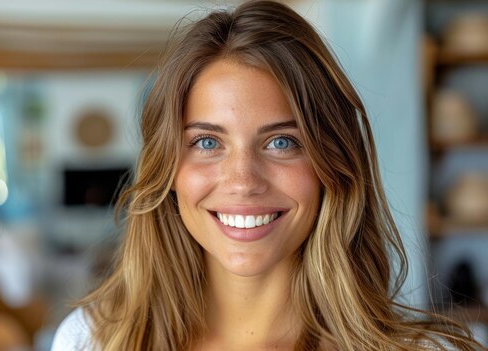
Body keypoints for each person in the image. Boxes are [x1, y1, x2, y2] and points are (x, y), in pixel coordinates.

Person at [51, 1, 487, 350]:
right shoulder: (91, 340)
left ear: (333, 165)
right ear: (166, 170)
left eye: (282, 142)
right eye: (206, 142)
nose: (242, 180)